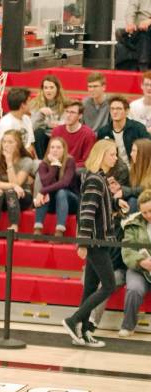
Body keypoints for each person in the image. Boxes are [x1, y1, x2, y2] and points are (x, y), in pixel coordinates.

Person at [62, 139, 129, 349]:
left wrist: (117, 203)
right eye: (112, 154)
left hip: (98, 240)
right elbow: (87, 212)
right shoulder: (95, 180)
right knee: (108, 285)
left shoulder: (99, 178)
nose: (115, 158)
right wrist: (82, 242)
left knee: (90, 286)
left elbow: (100, 204)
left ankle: (83, 330)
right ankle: (74, 321)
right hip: (95, 241)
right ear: (102, 155)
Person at [0, 130, 35, 232]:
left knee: (10, 192)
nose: (6, 145)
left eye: (10, 142)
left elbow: (17, 183)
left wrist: (9, 162)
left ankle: (14, 227)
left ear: (18, 145)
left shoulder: (27, 161)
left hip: (21, 196)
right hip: (0, 198)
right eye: (4, 142)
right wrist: (13, 186)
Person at [119, 189, 151, 337]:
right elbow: (127, 251)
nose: (148, 215)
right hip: (139, 270)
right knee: (133, 289)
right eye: (144, 212)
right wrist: (142, 261)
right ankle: (128, 326)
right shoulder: (132, 224)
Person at [33, 136, 79, 237]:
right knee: (46, 193)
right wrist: (54, 165)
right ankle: (37, 229)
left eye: (58, 147)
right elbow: (46, 183)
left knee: (60, 192)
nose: (55, 150)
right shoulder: (43, 164)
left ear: (64, 149)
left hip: (71, 201)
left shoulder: (69, 161)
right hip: (52, 203)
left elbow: (65, 183)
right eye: (52, 147)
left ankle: (59, 231)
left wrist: (42, 191)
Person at [97, 95, 150, 168]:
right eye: (112, 109)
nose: (115, 112)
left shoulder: (138, 128)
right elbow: (99, 156)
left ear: (127, 111)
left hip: (135, 169)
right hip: (113, 170)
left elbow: (148, 150)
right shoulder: (103, 131)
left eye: (119, 109)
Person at [29, 75, 67, 159]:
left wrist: (58, 125)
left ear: (57, 89)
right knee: (38, 133)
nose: (48, 91)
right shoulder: (35, 103)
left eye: (51, 87)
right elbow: (31, 127)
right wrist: (40, 114)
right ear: (42, 90)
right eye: (45, 88)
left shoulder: (65, 103)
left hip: (58, 137)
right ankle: (42, 163)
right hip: (42, 138)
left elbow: (67, 122)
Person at [50, 100, 96, 168]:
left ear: (80, 116)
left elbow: (87, 161)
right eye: (67, 112)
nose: (68, 115)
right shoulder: (56, 131)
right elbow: (50, 154)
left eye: (72, 112)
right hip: (57, 166)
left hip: (76, 169)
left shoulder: (88, 134)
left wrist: (66, 167)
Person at [0, 87, 35, 154]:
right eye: (29, 101)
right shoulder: (6, 124)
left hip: (25, 159)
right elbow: (7, 152)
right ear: (23, 105)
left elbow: (30, 144)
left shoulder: (26, 119)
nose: (31, 103)